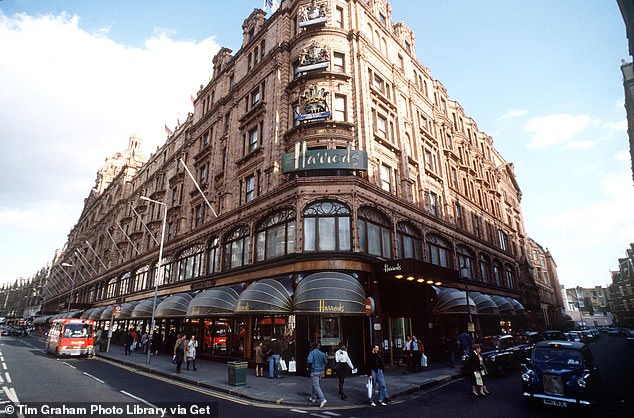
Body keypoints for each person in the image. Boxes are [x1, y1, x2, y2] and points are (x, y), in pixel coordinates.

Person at [307, 341, 328, 408]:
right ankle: (313, 397)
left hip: (314, 371)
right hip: (320, 371)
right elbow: (326, 361)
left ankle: (322, 399)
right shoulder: (322, 353)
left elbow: (309, 360)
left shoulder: (312, 353)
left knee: (316, 385)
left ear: (312, 347)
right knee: (315, 384)